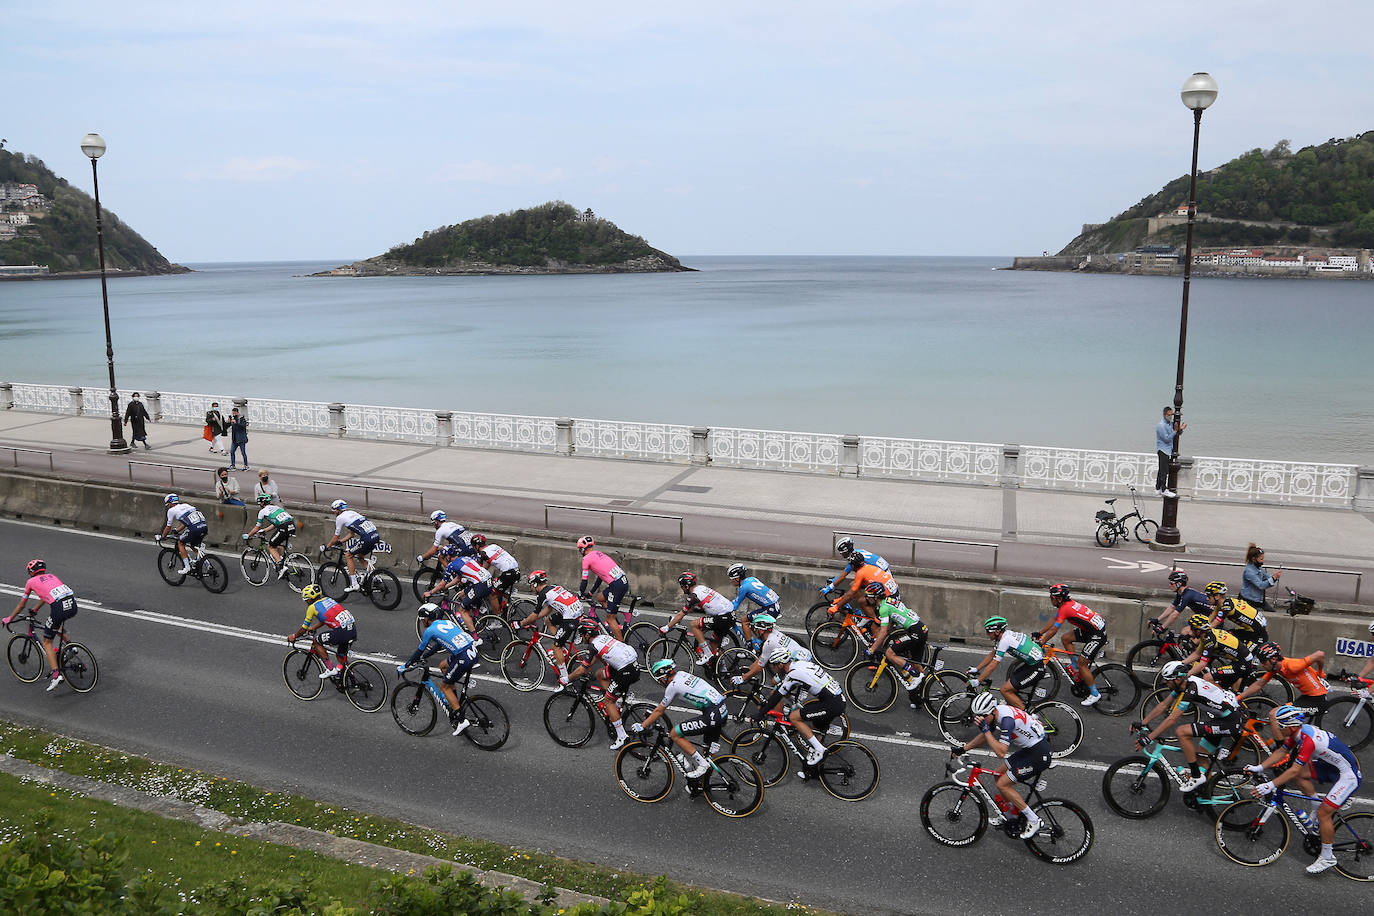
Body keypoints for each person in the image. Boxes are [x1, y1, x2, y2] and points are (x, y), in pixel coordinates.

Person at [1249, 705, 1363, 874]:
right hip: (1333, 767)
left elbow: (1293, 769)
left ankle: (1327, 857)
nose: (1278, 729)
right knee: (1301, 774)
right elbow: (1282, 751)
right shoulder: (1298, 732)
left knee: (1325, 814)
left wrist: (1269, 785)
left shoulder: (1308, 740)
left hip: (1348, 776)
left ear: (1291, 726)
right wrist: (1259, 767)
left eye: (1281, 725)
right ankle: (1316, 806)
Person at [955, 692, 1053, 839]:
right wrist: (963, 749)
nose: (981, 720)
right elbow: (985, 736)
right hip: (1031, 749)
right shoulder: (996, 713)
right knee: (998, 775)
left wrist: (986, 730)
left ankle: (1034, 820)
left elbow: (1001, 752)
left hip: (1038, 754)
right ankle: (1009, 814)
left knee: (1003, 785)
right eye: (978, 716)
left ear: (993, 711)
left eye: (983, 716)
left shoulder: (1007, 720)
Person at [1137, 660, 1243, 792]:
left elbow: (1172, 718)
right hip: (1223, 718)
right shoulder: (1184, 683)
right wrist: (1143, 722)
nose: (1165, 683)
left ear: (1178, 678)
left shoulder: (1191, 689)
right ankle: (1206, 795)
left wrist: (1149, 738)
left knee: (1181, 732)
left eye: (1168, 680)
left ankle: (1196, 776)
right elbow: (1164, 705)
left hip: (1229, 721)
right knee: (1201, 757)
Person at [632, 658, 729, 779]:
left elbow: (659, 710)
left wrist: (642, 725)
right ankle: (703, 782)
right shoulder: (682, 674)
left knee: (674, 734)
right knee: (707, 752)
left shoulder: (672, 686)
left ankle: (703, 765)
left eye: (659, 679)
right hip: (722, 710)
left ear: (664, 676)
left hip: (712, 715)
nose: (660, 682)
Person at [753, 649, 846, 768]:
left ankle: (820, 750)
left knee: (794, 717)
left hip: (832, 704)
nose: (774, 668)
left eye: (774, 665)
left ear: (780, 664)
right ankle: (814, 768)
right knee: (814, 727)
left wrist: (761, 713)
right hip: (836, 698)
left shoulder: (793, 674)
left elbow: (777, 695)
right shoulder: (800, 664)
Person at [398, 602, 479, 736]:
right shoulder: (446, 622)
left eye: (423, 619)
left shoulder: (429, 630)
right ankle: (454, 701)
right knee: (443, 666)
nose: (423, 622)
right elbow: (437, 646)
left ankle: (460, 720)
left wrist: (406, 665)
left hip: (463, 657)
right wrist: (425, 656)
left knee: (444, 687)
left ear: (427, 618)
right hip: (471, 651)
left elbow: (419, 650)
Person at [565, 616, 640, 749]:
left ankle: (621, 736)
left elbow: (582, 670)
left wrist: (567, 678)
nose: (581, 637)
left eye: (582, 634)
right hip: (631, 665)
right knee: (600, 674)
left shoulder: (593, 645)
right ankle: (615, 701)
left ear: (588, 634)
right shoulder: (603, 638)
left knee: (607, 701)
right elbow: (595, 658)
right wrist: (586, 665)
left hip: (626, 671)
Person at [4, 559, 78, 691]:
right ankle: (71, 647)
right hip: (72, 604)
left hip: (59, 608)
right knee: (56, 624)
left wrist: (10, 618)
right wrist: (36, 609)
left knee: (47, 642)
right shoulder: (52, 576)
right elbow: (46, 595)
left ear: (31, 572)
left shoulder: (31, 582)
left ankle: (56, 676)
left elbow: (22, 605)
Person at [859, 581, 930, 707]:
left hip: (915, 631)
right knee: (916, 664)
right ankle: (919, 697)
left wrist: (872, 649)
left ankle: (915, 676)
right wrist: (880, 640)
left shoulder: (883, 608)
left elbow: (884, 630)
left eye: (869, 596)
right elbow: (890, 624)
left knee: (889, 653)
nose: (867, 598)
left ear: (875, 597)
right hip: (921, 629)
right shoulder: (889, 601)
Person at [1034, 584, 1106, 707]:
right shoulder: (1065, 605)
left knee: (1082, 664)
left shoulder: (1065, 609)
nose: (1051, 600)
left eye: (1052, 598)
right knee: (1066, 638)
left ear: (1059, 599)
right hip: (1091, 630)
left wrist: (1042, 642)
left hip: (1097, 635)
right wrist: (1040, 633)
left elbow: (1054, 630)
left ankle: (1095, 694)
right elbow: (1053, 620)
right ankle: (1075, 666)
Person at [518, 570, 585, 687]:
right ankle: (562, 646)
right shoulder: (553, 587)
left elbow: (535, 614)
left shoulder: (542, 594)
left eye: (531, 585)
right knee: (548, 620)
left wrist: (521, 623)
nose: (531, 588)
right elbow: (548, 609)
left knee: (556, 646)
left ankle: (565, 679)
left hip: (571, 617)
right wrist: (532, 618)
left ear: (535, 584)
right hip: (577, 610)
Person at [968, 616, 1048, 711]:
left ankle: (1025, 715)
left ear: (997, 632)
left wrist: (979, 680)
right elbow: (992, 655)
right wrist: (977, 669)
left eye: (988, 632)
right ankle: (1015, 709)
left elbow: (994, 664)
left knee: (1004, 690)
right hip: (1031, 664)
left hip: (1036, 668)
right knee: (1010, 685)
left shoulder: (1005, 641)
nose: (987, 634)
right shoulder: (1006, 635)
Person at [660, 572, 735, 667]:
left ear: (687, 586)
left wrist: (666, 627)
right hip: (729, 614)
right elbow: (688, 610)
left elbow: (681, 613)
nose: (681, 588)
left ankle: (707, 654)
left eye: (682, 586)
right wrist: (675, 621)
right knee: (713, 643)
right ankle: (723, 668)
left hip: (722, 617)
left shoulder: (693, 597)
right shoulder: (701, 588)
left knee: (694, 624)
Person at [1238, 642, 1331, 716]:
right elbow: (1259, 684)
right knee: (1279, 716)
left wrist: (1319, 671)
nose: (1262, 665)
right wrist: (1239, 697)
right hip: (1306, 697)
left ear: (1273, 659)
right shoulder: (1276, 668)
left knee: (1275, 715)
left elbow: (1320, 654)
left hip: (1317, 701)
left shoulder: (1292, 666)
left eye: (1263, 661)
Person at [288, 584, 356, 679]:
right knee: (340, 655)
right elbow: (325, 618)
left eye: (306, 599)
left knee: (316, 642)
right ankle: (349, 676)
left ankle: (331, 669)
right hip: (351, 629)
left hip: (342, 632)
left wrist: (294, 636)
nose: (306, 602)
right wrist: (314, 628)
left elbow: (303, 628)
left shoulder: (312, 608)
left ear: (310, 599)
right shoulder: (328, 599)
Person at [423, 544, 493, 634]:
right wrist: (446, 587)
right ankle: (473, 615)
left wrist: (430, 592)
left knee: (462, 610)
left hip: (481, 585)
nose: (445, 560)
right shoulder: (464, 558)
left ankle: (475, 639)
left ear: (448, 556)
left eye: (444, 558)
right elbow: (458, 578)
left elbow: (441, 585)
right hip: (488, 581)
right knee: (462, 594)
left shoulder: (451, 565)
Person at [728, 614, 812, 687]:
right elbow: (763, 657)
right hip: (805, 654)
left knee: (775, 685)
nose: (754, 632)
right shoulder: (775, 633)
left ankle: (796, 701)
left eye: (755, 629)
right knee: (776, 682)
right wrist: (749, 670)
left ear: (761, 630)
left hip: (798, 664)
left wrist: (743, 678)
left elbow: (759, 667)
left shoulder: (769, 643)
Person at [1180, 613, 1255, 691]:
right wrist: (1181, 663)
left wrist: (1186, 675)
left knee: (1207, 677)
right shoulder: (1207, 635)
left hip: (1242, 663)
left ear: (1198, 631)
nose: (1189, 632)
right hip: (1239, 661)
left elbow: (1202, 664)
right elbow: (1197, 653)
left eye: (1192, 629)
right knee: (1222, 685)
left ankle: (1227, 700)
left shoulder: (1210, 641)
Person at [576, 536, 631, 638]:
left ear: (582, 549)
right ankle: (616, 623)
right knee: (600, 598)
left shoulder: (586, 559)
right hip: (622, 581)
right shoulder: (598, 554)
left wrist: (580, 594)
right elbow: (600, 577)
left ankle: (621, 645)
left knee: (609, 619)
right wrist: (591, 593)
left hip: (616, 585)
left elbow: (584, 580)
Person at [324, 499, 379, 594]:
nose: (334, 513)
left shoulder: (340, 518)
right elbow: (352, 534)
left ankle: (354, 584)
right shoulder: (352, 513)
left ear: (338, 510)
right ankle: (376, 577)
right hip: (375, 536)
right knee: (361, 557)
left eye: (334, 511)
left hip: (367, 538)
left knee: (348, 555)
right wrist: (340, 541)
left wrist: (327, 547)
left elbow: (335, 537)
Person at [826, 552, 898, 619]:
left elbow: (851, 594)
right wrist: (840, 599)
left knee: (862, 601)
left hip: (888, 597)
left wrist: (836, 607)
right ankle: (871, 616)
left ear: (853, 566)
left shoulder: (860, 573)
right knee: (856, 587)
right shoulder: (869, 566)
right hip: (894, 592)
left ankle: (874, 620)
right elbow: (854, 589)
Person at [727, 563, 781, 644]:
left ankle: (750, 646)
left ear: (737, 578)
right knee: (753, 623)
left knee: (744, 621)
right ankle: (760, 642)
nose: (731, 581)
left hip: (770, 608)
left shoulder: (744, 587)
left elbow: (735, 605)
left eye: (732, 579)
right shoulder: (751, 579)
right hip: (774, 605)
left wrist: (724, 608)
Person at [242, 492, 296, 573]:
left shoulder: (263, 511)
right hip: (292, 525)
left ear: (262, 503)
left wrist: (248, 535)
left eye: (259, 503)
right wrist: (264, 530)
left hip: (283, 527)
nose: (259, 505)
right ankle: (281, 561)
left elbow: (257, 527)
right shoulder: (276, 507)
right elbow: (275, 524)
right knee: (277, 545)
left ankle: (281, 567)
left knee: (271, 546)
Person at [469, 534, 520, 615]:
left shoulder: (482, 553)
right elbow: (488, 563)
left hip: (508, 573)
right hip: (516, 570)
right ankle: (508, 597)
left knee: (492, 594)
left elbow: (478, 568)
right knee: (496, 585)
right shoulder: (493, 546)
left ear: (477, 546)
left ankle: (497, 620)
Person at [159, 494, 208, 575]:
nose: (168, 507)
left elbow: (168, 527)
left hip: (194, 528)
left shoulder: (171, 511)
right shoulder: (185, 505)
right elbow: (186, 523)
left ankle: (187, 567)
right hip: (204, 526)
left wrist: (163, 536)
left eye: (167, 505)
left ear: (170, 503)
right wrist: (177, 530)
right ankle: (207, 564)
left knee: (180, 543)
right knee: (193, 545)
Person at [1241, 544, 1281, 613]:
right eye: (1261, 559)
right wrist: (1273, 578)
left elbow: (1267, 577)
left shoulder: (1260, 569)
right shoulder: (1249, 571)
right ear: (1254, 559)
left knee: (1273, 612)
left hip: (1259, 600)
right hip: (1249, 601)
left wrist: (1274, 577)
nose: (1263, 561)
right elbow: (1261, 585)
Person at [1154, 405, 1184, 497]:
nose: (1170, 416)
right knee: (1164, 471)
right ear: (1164, 414)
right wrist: (1175, 431)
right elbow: (1167, 439)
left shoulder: (1169, 424)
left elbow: (1174, 433)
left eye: (1171, 415)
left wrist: (1180, 430)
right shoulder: (1161, 425)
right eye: (1169, 415)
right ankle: (1164, 489)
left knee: (1162, 470)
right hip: (1163, 450)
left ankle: (1158, 488)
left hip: (1168, 450)